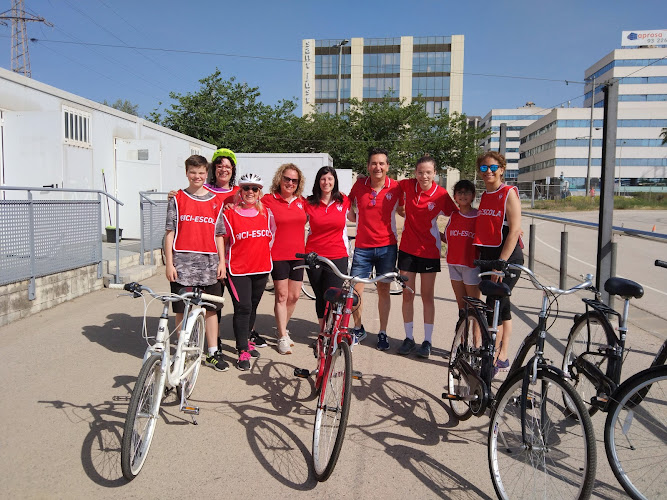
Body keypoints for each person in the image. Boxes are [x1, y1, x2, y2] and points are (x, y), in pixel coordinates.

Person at [164, 155, 228, 372]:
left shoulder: (215, 201)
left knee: (211, 310)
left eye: (201, 173)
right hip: (182, 264)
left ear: (206, 173)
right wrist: (169, 264)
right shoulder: (177, 199)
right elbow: (170, 233)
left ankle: (212, 352)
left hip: (209, 264)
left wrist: (222, 262)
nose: (197, 176)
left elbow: (219, 234)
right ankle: (180, 351)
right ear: (186, 173)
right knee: (181, 309)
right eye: (193, 172)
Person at [396, 155, 457, 359]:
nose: (424, 176)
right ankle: (408, 338)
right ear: (415, 173)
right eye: (420, 172)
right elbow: (388, 188)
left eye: (428, 172)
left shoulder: (440, 194)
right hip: (406, 250)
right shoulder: (407, 186)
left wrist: (446, 236)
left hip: (429, 252)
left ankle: (428, 341)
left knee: (427, 296)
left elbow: (457, 215)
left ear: (435, 173)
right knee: (407, 294)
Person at [473, 152, 523, 375]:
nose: (488, 172)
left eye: (493, 167)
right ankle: (501, 354)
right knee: (501, 307)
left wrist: (501, 263)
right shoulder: (485, 196)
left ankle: (497, 356)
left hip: (505, 258)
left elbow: (514, 231)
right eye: (483, 168)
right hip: (488, 256)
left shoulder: (508, 193)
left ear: (502, 169)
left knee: (496, 306)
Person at [348, 147, 402, 351]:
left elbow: (407, 209)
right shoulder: (359, 185)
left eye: (381, 163)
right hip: (362, 247)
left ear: (387, 166)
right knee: (355, 291)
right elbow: (347, 203)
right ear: (368, 166)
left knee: (383, 291)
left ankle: (382, 332)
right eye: (374, 163)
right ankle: (358, 328)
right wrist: (352, 215)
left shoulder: (396, 187)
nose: (377, 167)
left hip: (387, 248)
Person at [222, 173, 275, 371]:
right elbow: (222, 241)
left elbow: (271, 236)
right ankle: (242, 349)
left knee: (252, 306)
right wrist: (222, 264)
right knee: (242, 307)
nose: (250, 192)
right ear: (240, 191)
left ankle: (247, 340)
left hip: (261, 268)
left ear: (260, 192)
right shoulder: (229, 213)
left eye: (254, 188)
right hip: (237, 270)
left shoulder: (266, 213)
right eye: (246, 188)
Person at [262, 163, 307, 355]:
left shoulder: (302, 201)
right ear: (279, 179)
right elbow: (245, 201)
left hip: (298, 255)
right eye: (286, 179)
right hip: (278, 255)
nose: (290, 183)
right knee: (281, 295)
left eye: (294, 180)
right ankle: (281, 336)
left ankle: (284, 329)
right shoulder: (267, 200)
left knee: (294, 296)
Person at [304, 167, 351, 332]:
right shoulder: (308, 202)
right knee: (321, 296)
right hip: (314, 256)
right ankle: (323, 332)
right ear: (318, 181)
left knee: (335, 297)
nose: (326, 182)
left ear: (335, 181)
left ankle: (334, 331)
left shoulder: (343, 200)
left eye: (330, 179)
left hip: (338, 255)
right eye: (323, 179)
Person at [441, 179, 481, 312]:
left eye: (467, 193)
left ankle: (476, 333)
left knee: (475, 307)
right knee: (462, 306)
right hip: (454, 264)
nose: (463, 196)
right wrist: (430, 230)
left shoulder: (478, 216)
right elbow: (448, 239)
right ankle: (462, 332)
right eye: (460, 193)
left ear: (473, 195)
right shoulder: (453, 215)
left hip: (471, 265)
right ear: (455, 197)